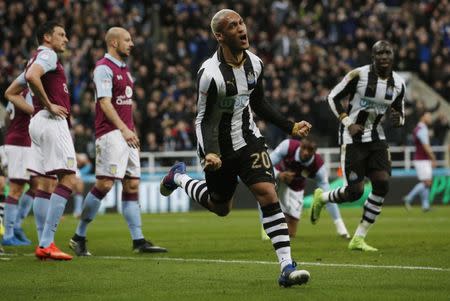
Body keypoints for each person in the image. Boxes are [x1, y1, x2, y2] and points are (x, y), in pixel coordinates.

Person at [160, 9, 312, 287]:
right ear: (220, 36)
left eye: (242, 22)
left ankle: (287, 266)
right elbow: (203, 119)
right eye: (233, 26)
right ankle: (179, 177)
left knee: (267, 193)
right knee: (221, 207)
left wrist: (290, 126)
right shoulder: (210, 74)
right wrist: (211, 153)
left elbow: (260, 104)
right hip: (218, 148)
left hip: (248, 139)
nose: (242, 28)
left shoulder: (255, 63)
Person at [69, 27, 167, 256]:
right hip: (111, 134)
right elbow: (104, 102)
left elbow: (124, 105)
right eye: (127, 40)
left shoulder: (125, 69)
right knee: (104, 184)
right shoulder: (104, 68)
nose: (131, 43)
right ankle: (78, 236)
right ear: (113, 42)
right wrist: (124, 129)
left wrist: (131, 130)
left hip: (126, 135)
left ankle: (138, 240)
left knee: (132, 185)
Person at [310, 40, 406, 252]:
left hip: (376, 138)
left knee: (382, 184)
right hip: (352, 138)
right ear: (373, 56)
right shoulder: (359, 75)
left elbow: (400, 116)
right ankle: (323, 198)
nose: (383, 56)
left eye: (387, 52)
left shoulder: (399, 84)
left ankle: (359, 238)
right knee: (355, 192)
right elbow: (332, 97)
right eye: (379, 53)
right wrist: (348, 123)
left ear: (393, 56)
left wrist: (397, 118)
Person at [25, 21, 76, 260]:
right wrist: (48, 105)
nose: (66, 39)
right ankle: (46, 243)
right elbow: (31, 76)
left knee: (45, 183)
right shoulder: (48, 55)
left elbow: (11, 92)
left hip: (37, 121)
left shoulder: (35, 57)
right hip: (51, 121)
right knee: (68, 178)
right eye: (61, 34)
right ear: (47, 37)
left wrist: (37, 109)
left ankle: (44, 243)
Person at [263, 138, 350, 239]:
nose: (305, 152)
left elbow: (327, 196)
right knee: (266, 187)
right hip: (277, 180)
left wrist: (340, 226)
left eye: (310, 150)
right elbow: (266, 166)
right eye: (303, 148)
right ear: (300, 145)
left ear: (315, 151)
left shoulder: (318, 167)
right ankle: (265, 227)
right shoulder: (288, 146)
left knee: (291, 231)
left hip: (296, 188)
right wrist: (279, 174)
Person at [1, 74, 37, 246]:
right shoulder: (29, 91)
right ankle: (9, 233)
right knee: (16, 188)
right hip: (20, 144)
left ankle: (16, 225)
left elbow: (8, 117)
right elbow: (34, 113)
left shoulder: (18, 91)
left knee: (36, 184)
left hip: (21, 142)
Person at [403, 112, 436, 211]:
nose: (431, 119)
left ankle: (425, 206)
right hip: (422, 159)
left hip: (421, 159)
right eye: (429, 116)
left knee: (425, 182)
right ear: (423, 117)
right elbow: (426, 146)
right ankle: (408, 198)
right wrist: (433, 158)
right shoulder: (422, 129)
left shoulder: (419, 129)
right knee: (427, 182)